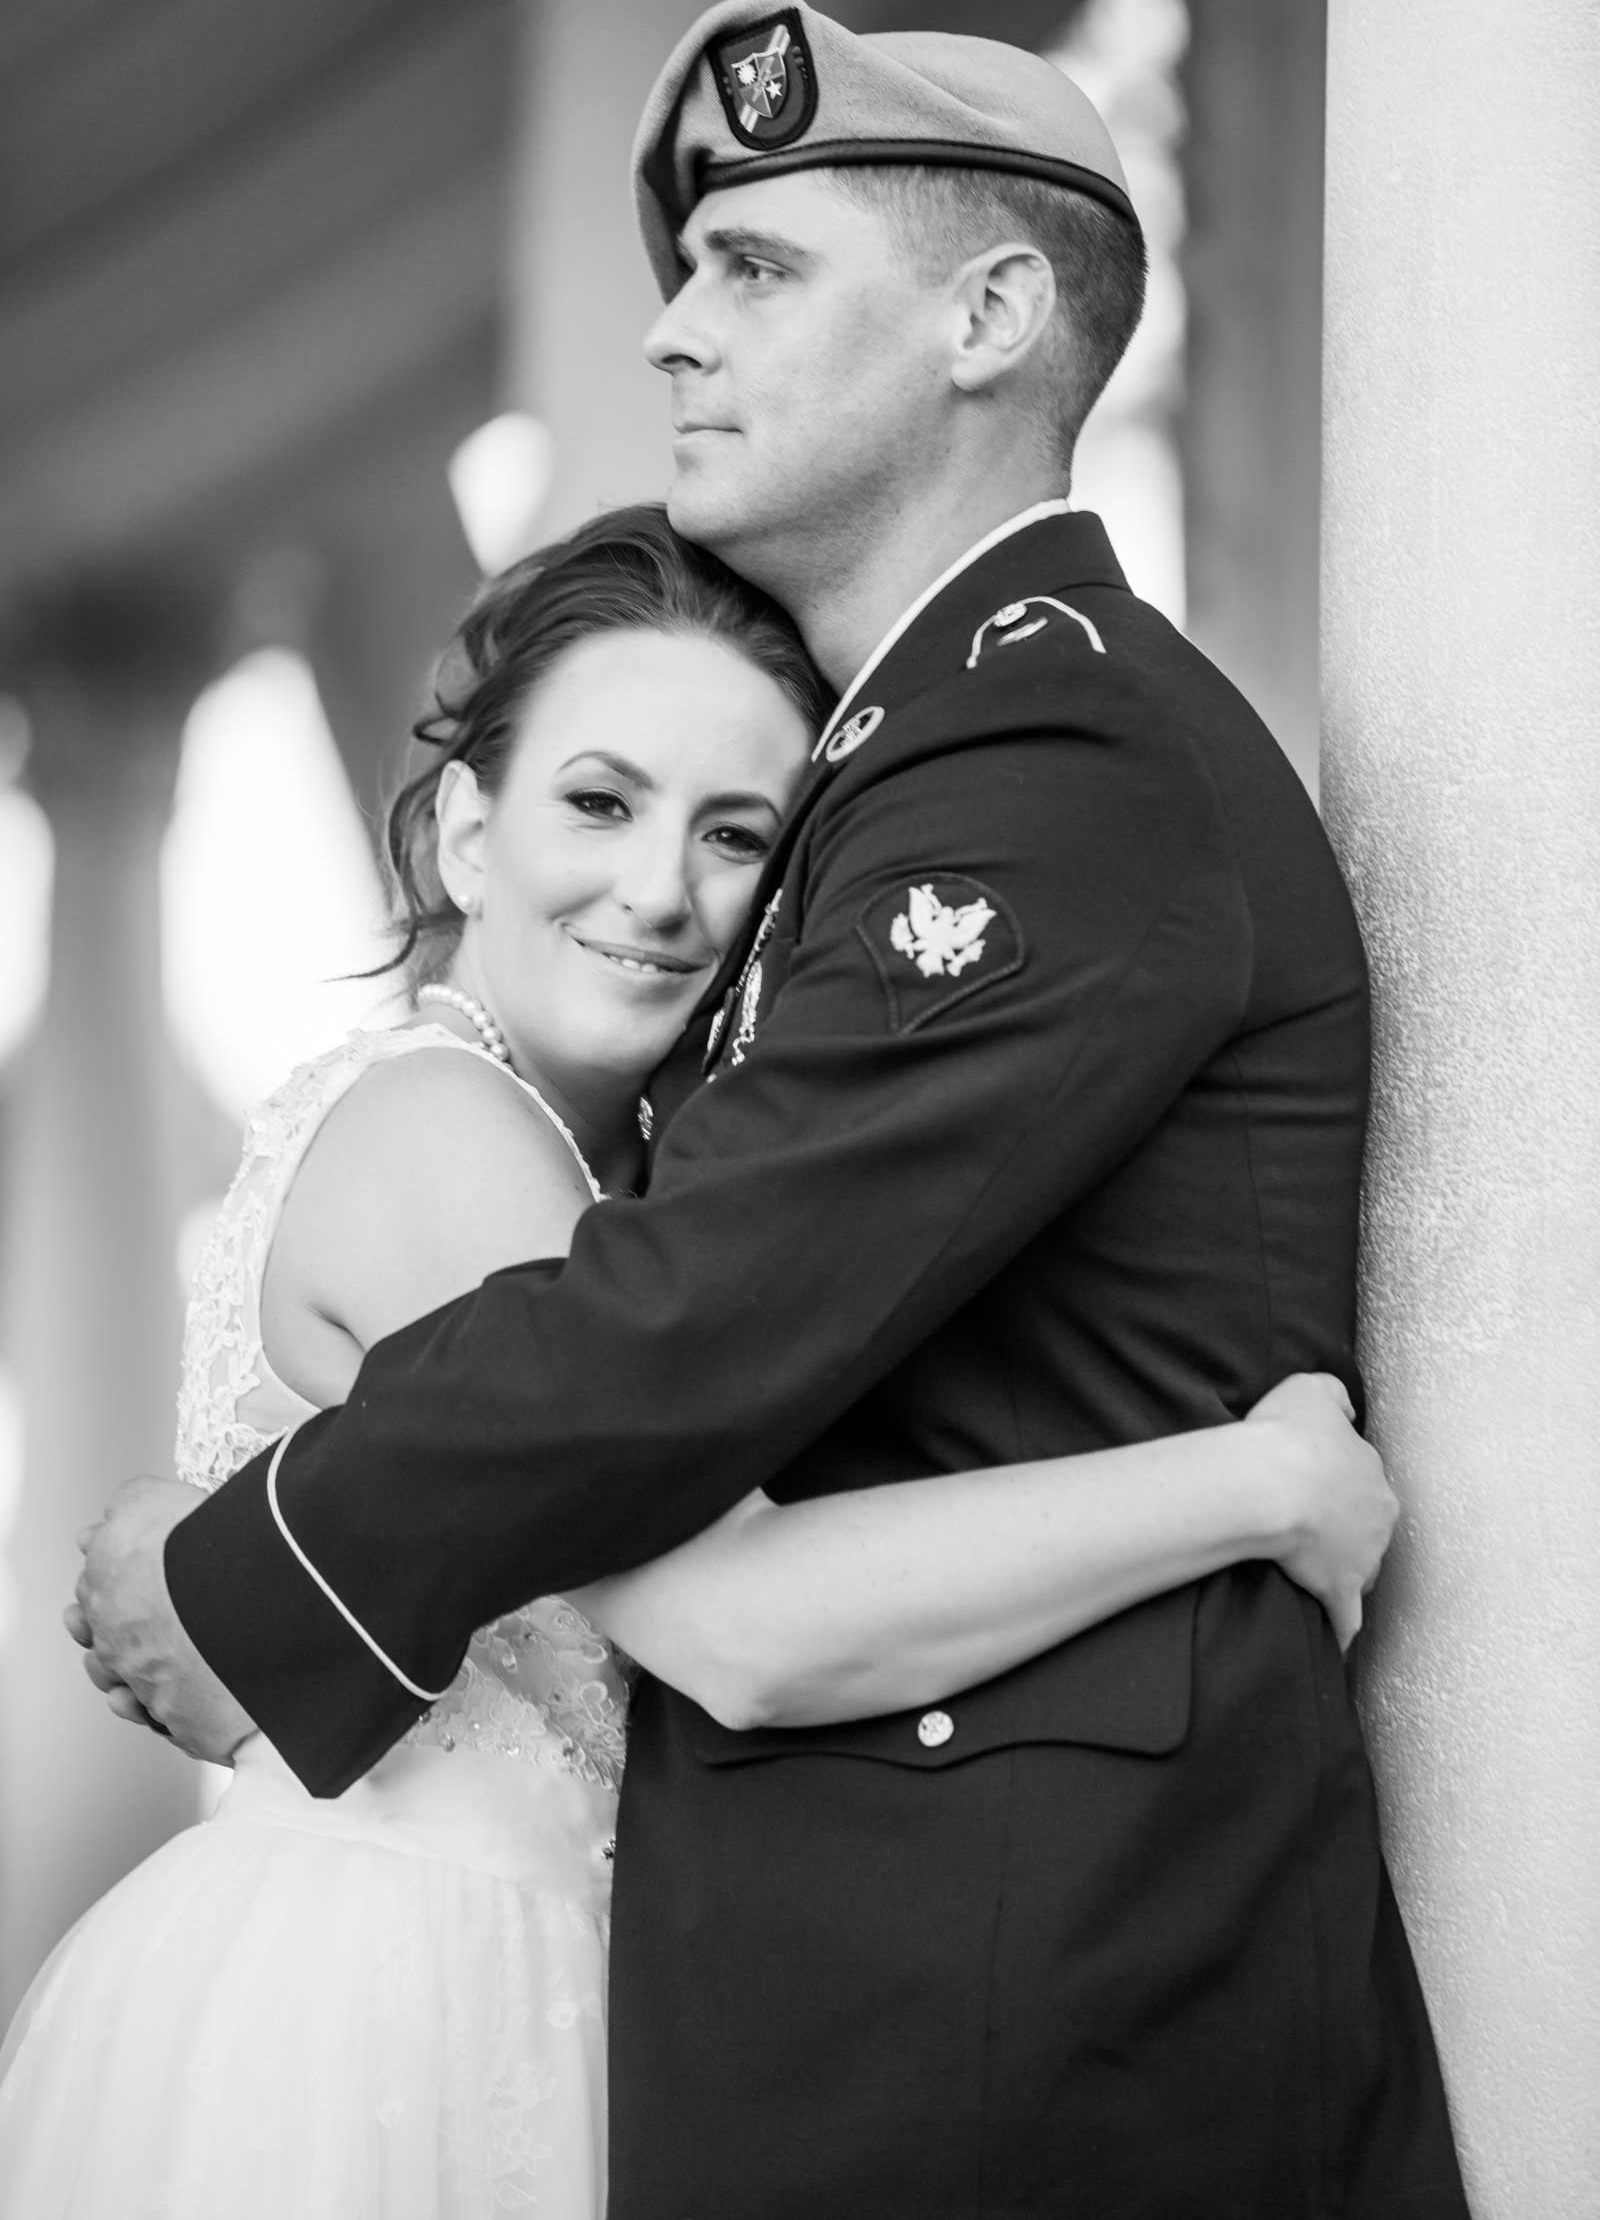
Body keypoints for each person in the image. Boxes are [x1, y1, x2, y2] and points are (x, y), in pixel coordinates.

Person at [75, 0, 1470, 2217]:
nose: (669, 339)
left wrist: (265, 1558)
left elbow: (690, 1308)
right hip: (891, 1983)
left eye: (757, 270)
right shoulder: (907, 765)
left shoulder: (1042, 753)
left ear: (988, 317)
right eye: (683, 274)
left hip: (1021, 1992)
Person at [6, 509, 1385, 2218]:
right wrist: (1255, 1483)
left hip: (552, 1976)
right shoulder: (451, 1136)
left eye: (736, 834)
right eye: (598, 801)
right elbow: (742, 1628)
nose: (660, 890)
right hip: (404, 2017)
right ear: (461, 833)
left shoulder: (605, 1190)